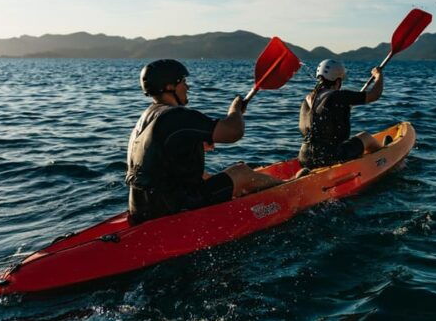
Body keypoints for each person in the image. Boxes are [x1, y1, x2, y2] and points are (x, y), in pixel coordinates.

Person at [125, 59, 283, 224]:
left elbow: (161, 163)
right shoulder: (176, 115)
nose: (187, 87)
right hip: (173, 210)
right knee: (241, 172)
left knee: (209, 178)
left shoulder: (143, 121)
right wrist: (235, 110)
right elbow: (234, 132)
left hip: (141, 211)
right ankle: (291, 186)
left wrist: (195, 145)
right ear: (170, 87)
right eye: (183, 82)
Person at [298, 59, 385, 170]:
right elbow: (374, 95)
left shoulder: (308, 98)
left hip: (305, 157)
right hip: (331, 157)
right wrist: (378, 76)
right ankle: (384, 157)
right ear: (338, 81)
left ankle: (304, 173)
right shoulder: (339, 96)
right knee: (366, 137)